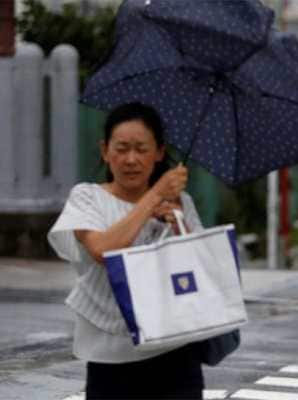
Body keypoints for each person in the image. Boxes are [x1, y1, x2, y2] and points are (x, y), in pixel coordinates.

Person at [48, 103, 205, 399]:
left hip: (174, 351)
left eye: (141, 149)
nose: (131, 159)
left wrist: (178, 222)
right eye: (121, 148)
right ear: (105, 150)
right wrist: (153, 198)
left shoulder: (180, 202)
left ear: (159, 152)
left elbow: (198, 267)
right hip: (110, 359)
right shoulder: (86, 198)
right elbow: (103, 251)